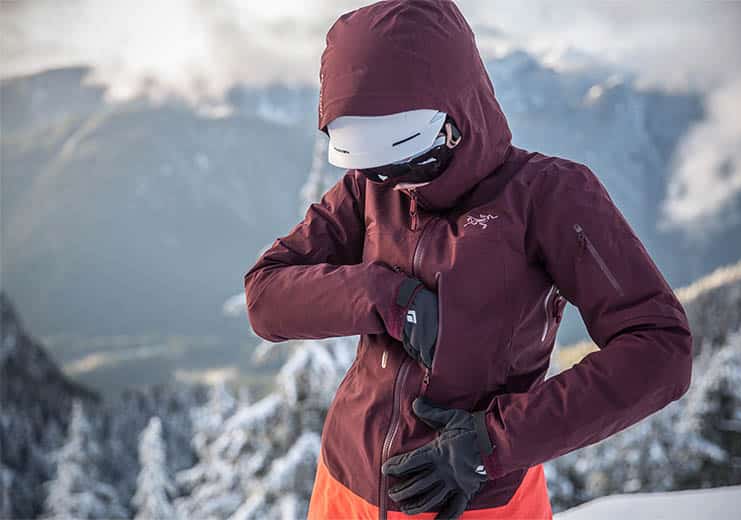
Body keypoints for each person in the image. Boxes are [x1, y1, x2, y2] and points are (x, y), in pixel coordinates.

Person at [243, 1, 694, 518]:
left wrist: (491, 442)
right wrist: (388, 297)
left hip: (480, 503)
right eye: (376, 167)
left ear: (459, 117)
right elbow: (265, 296)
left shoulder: (550, 197)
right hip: (344, 489)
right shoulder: (369, 191)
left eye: (410, 160)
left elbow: (661, 350)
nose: (396, 183)